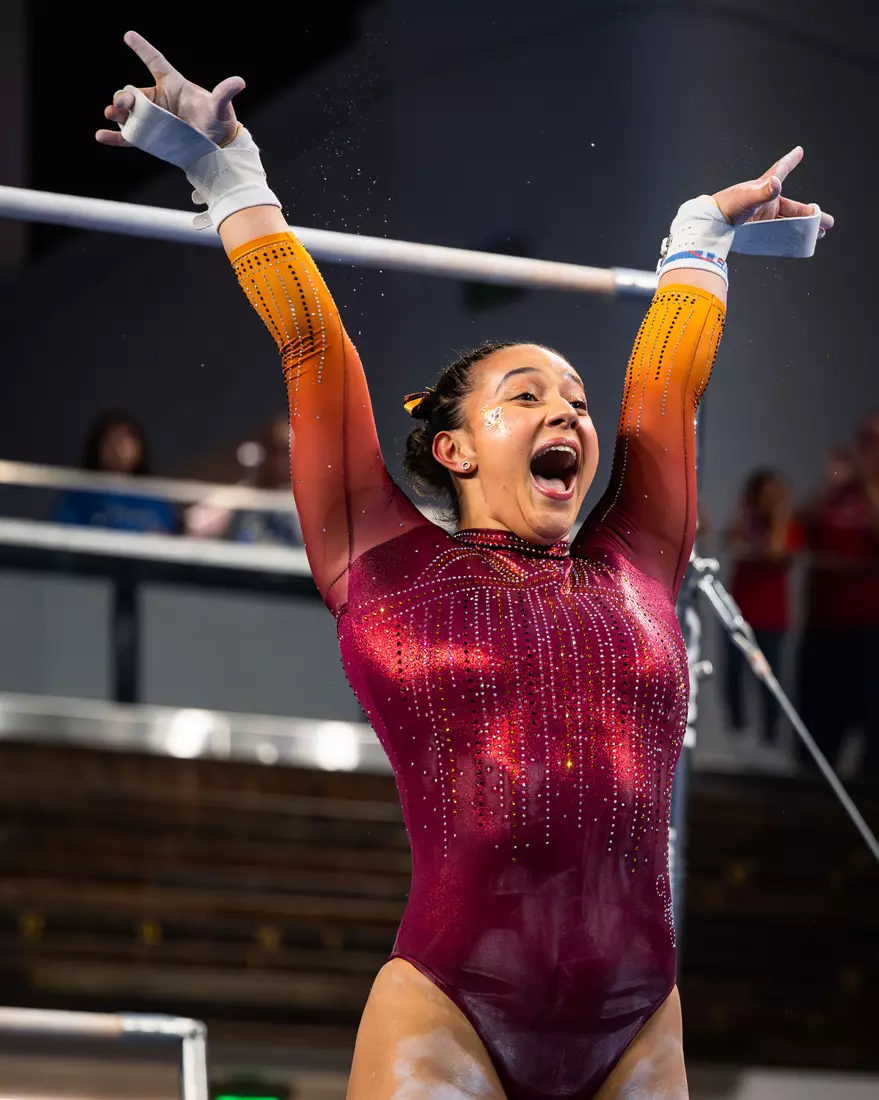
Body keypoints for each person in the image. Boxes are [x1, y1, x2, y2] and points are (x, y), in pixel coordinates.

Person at [96, 32, 833, 1100]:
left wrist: (701, 237)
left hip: (641, 1014)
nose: (568, 412)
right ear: (453, 446)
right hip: (450, 1006)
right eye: (527, 395)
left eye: (577, 400)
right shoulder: (380, 554)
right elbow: (315, 346)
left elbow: (666, 391)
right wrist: (229, 176)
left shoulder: (636, 559)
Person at [799, 428, 879, 778]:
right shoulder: (836, 496)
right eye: (863, 439)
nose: (865, 448)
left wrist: (869, 486)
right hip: (824, 619)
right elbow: (801, 524)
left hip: (868, 622)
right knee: (820, 712)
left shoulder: (871, 495)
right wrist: (830, 484)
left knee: (868, 710)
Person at [723, 469, 802, 766]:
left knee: (771, 680)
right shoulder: (745, 524)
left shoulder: (789, 527)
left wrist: (780, 513)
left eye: (774, 495)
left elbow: (776, 552)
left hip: (772, 619)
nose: (767, 501)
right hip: (738, 613)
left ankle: (769, 740)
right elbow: (730, 539)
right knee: (733, 676)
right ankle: (740, 735)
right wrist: (746, 512)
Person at [54, 410, 177, 533]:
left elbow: (166, 533)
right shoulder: (79, 494)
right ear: (97, 447)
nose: (118, 450)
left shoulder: (154, 496)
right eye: (111, 441)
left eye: (125, 441)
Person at [185, 416, 302, 545]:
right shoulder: (242, 497)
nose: (284, 461)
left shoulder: (311, 504)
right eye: (276, 451)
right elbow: (195, 523)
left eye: (290, 452)